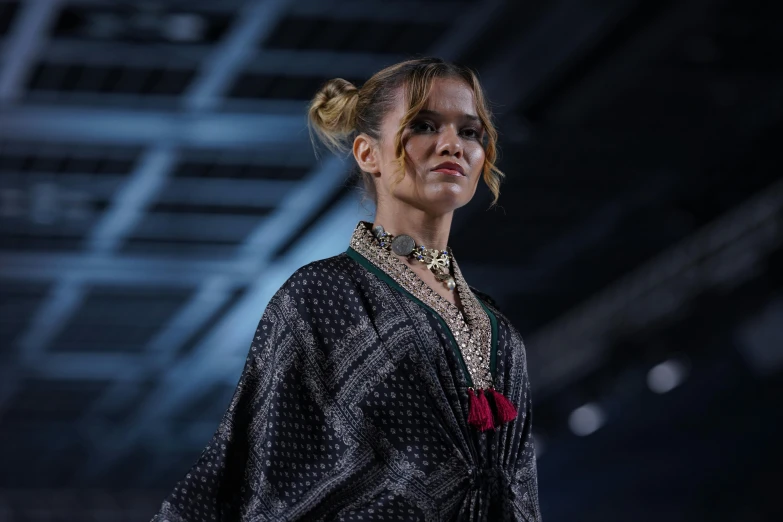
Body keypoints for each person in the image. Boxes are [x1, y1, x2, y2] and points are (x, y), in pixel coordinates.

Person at [151, 57, 541, 522]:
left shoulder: (499, 331)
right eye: (424, 125)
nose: (453, 145)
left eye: (471, 132)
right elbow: (255, 469)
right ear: (366, 153)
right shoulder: (322, 295)